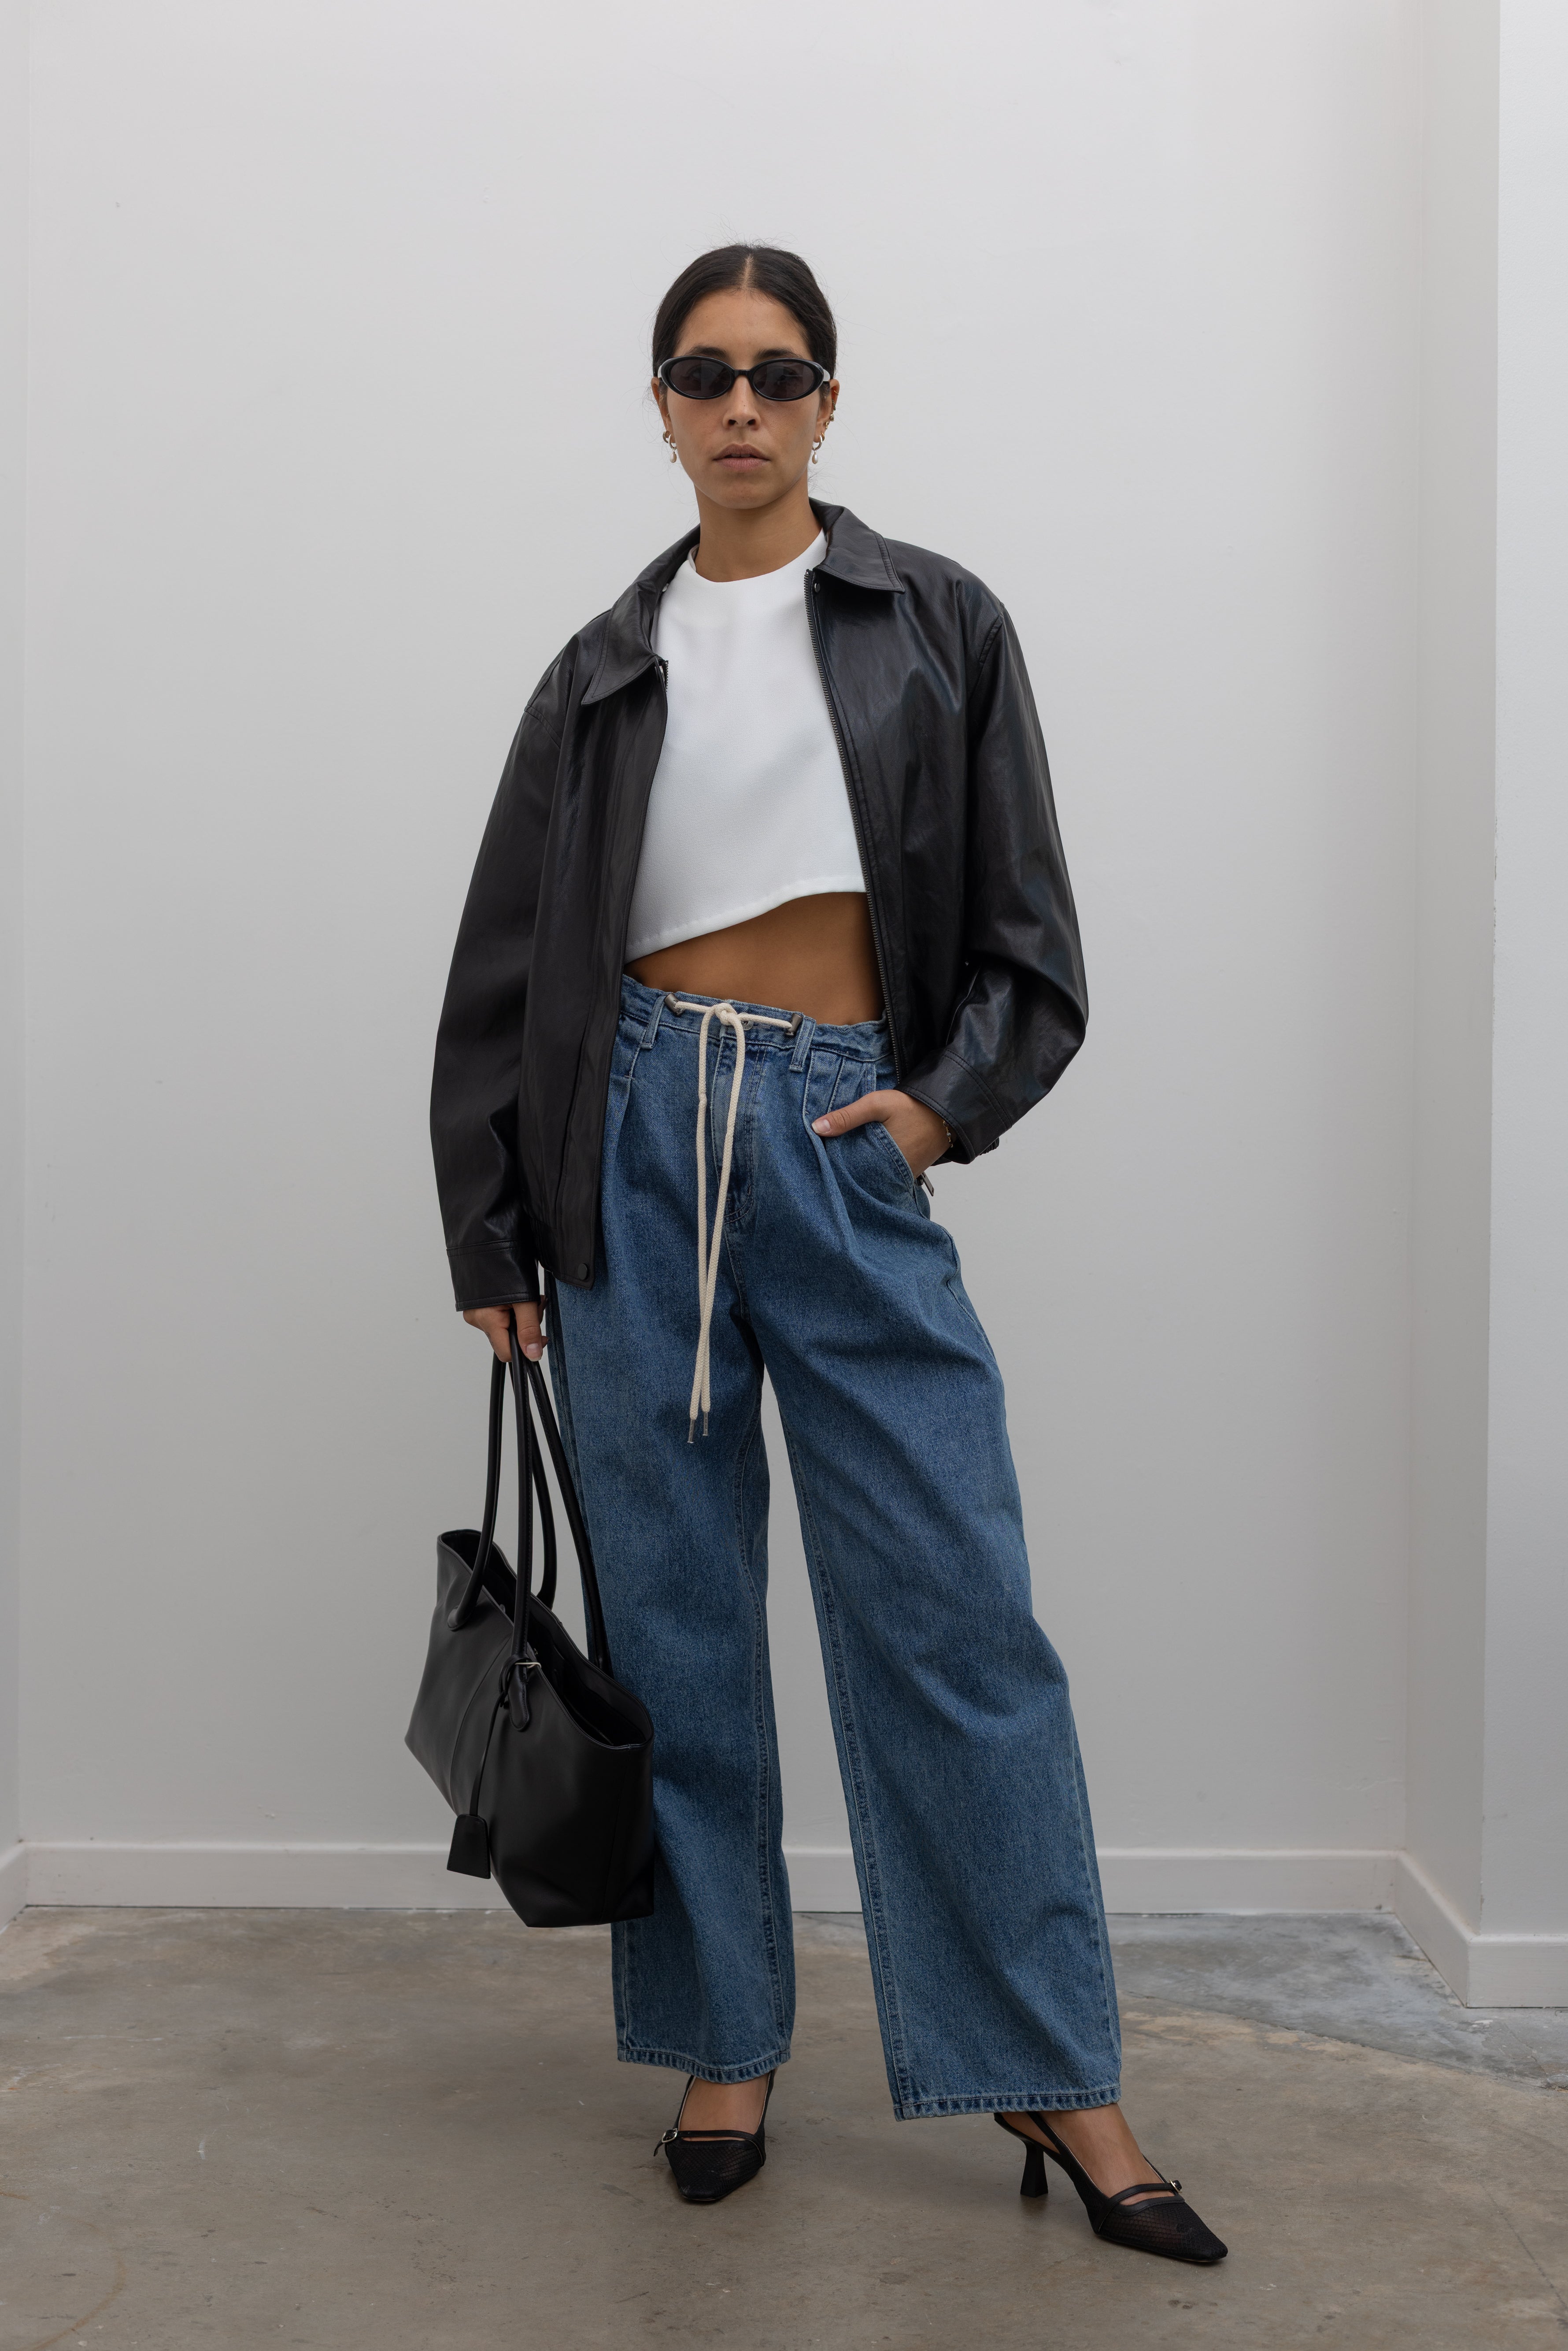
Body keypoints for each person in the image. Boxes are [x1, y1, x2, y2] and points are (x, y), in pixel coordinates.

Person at [430, 243, 1225, 2265]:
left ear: (828, 403)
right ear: (662, 406)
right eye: (702, 373)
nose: (741, 406)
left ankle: (1051, 2067)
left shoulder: (932, 622)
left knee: (954, 1616)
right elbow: (506, 965)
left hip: (841, 1132)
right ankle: (721, 2034)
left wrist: (939, 1108)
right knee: (679, 1629)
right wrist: (492, 1221)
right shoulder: (602, 666)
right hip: (625, 1151)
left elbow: (1031, 943)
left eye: (778, 373)